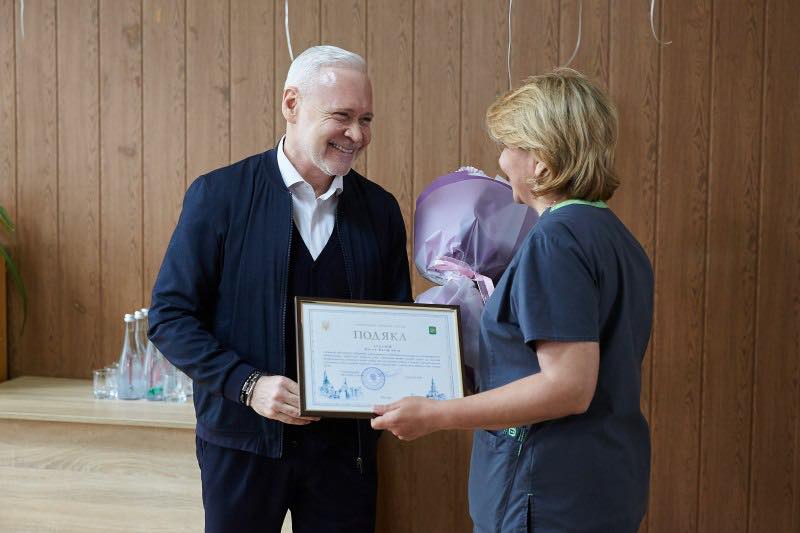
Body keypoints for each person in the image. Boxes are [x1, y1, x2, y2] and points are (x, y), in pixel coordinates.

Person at [372, 68, 654, 532]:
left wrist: (437, 414)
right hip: (602, 481)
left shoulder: (556, 241)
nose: (501, 161)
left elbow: (568, 387)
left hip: (546, 492)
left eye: (508, 146)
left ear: (540, 161)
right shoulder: (614, 236)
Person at [149, 45, 411, 533]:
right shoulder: (219, 196)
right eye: (342, 116)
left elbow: (396, 324)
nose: (357, 135)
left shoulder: (381, 210)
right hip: (240, 445)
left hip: (346, 454)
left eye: (366, 119)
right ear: (291, 104)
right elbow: (169, 318)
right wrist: (248, 385)